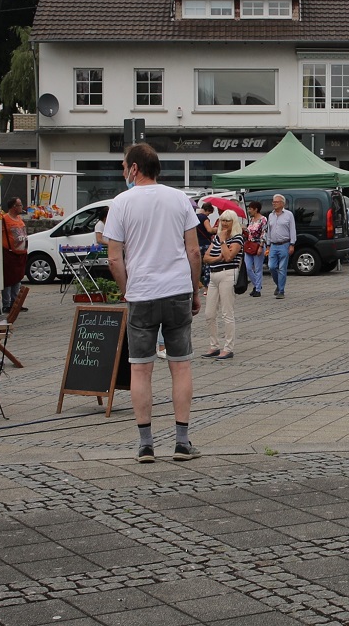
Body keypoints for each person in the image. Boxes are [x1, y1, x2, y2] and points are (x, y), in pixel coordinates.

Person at [104, 143, 202, 464]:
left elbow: (114, 259)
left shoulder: (120, 203)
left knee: (141, 369)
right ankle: (182, 442)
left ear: (134, 168)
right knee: (181, 365)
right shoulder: (180, 199)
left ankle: (146, 444)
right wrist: (194, 291)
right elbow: (194, 252)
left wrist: (127, 290)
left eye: (123, 167)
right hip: (176, 292)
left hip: (141, 295)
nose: (122, 172)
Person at [202, 210, 244, 360]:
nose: (225, 223)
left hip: (228, 274)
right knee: (209, 313)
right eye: (222, 220)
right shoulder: (216, 238)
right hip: (213, 277)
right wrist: (218, 256)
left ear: (234, 222)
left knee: (227, 313)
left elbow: (228, 257)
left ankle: (228, 347)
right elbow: (206, 258)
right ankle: (214, 345)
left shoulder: (237, 238)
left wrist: (224, 242)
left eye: (228, 220)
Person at [1, 196, 28, 313]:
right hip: (9, 253)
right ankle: (6, 304)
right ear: (14, 207)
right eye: (20, 205)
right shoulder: (4, 219)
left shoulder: (19, 219)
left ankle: (16, 303)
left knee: (17, 279)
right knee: (8, 280)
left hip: (20, 254)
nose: (22, 207)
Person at [266, 194, 296, 299]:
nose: (274, 204)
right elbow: (269, 231)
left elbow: (292, 230)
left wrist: (292, 244)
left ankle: (281, 291)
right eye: (273, 202)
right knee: (271, 266)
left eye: (276, 202)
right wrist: (268, 245)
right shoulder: (271, 215)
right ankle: (278, 285)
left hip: (284, 244)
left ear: (283, 203)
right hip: (273, 245)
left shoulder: (288, 215)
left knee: (282, 268)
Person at [242, 200, 267, 297]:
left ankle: (257, 289)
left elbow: (264, 233)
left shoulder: (263, 219)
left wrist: (261, 246)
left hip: (258, 245)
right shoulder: (251, 220)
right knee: (248, 267)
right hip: (249, 245)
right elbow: (250, 233)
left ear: (256, 209)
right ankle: (257, 284)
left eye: (250, 209)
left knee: (258, 268)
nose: (249, 211)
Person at [195, 202, 216, 290]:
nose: (209, 215)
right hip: (206, 244)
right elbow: (209, 230)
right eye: (209, 213)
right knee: (208, 264)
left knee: (198, 265)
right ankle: (207, 285)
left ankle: (197, 282)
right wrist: (216, 229)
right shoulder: (204, 218)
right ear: (208, 210)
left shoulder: (194, 217)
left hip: (197, 243)